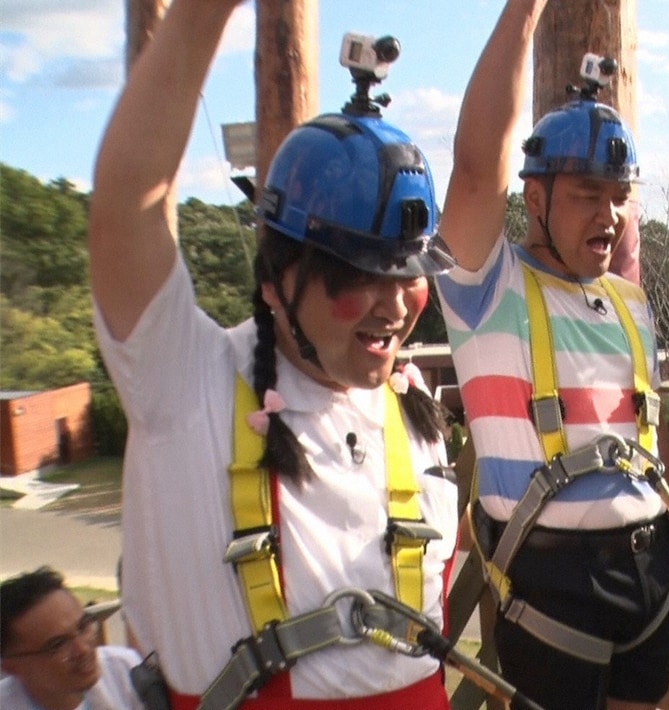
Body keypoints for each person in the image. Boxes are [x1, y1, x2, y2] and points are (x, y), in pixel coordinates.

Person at [87, 1, 458, 707]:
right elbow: (124, 206)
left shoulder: (418, 423)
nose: (395, 304)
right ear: (274, 280)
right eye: (359, 277)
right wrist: (202, 16)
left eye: (408, 276)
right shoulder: (186, 385)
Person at [433, 1, 669, 707]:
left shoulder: (631, 303)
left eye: (618, 197)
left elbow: (645, 432)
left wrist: (665, 570)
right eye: (585, 195)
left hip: (648, 566)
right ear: (535, 198)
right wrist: (524, 11)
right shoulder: (488, 287)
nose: (608, 214)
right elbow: (477, 167)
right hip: (552, 584)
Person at [1, 567, 144, 710]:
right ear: (12, 667)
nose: (82, 650)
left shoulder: (125, 670)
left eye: (83, 627)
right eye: (58, 645)